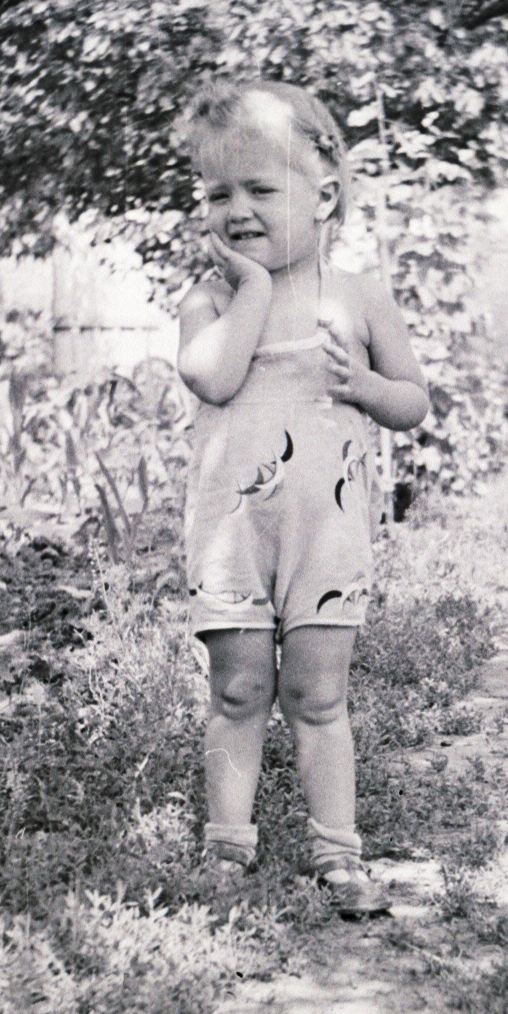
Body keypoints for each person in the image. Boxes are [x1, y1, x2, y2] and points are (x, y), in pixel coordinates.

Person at [177, 80, 429, 918]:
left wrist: (363, 384)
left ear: (322, 196)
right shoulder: (209, 301)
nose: (237, 210)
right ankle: (227, 849)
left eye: (260, 189)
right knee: (238, 690)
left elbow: (412, 401)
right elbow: (212, 376)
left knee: (318, 695)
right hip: (235, 535)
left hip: (325, 534)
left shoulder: (358, 296)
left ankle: (338, 850)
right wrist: (249, 289)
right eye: (218, 194)